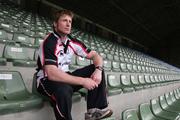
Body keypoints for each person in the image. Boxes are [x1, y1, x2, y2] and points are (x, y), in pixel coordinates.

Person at [35, 9, 113, 120]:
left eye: (70, 21)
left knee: (94, 69)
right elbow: (52, 74)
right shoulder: (49, 41)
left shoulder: (72, 42)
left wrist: (99, 70)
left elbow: (96, 56)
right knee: (63, 90)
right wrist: (83, 81)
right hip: (46, 80)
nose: (68, 24)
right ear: (55, 24)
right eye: (64, 21)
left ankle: (93, 112)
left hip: (65, 77)